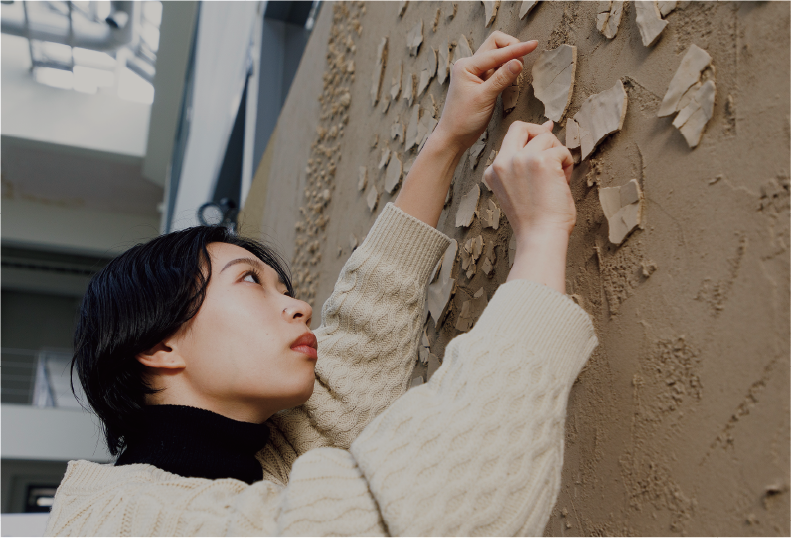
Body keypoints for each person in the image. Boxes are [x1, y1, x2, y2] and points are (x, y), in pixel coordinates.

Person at [45, 31, 597, 537]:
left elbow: (358, 350)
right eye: (249, 282)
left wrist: (447, 140)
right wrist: (543, 234)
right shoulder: (116, 522)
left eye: (283, 289)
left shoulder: (253, 454)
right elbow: (425, 517)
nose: (301, 307)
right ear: (159, 345)